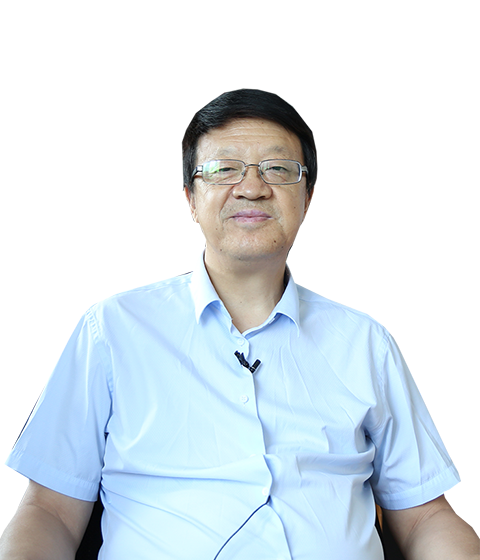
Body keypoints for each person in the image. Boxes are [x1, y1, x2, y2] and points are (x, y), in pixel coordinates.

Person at [1, 89, 479, 560]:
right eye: (224, 169)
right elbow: (51, 511)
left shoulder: (364, 343)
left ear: (307, 198)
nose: (252, 188)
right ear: (191, 199)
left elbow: (425, 516)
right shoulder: (112, 330)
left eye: (278, 169)